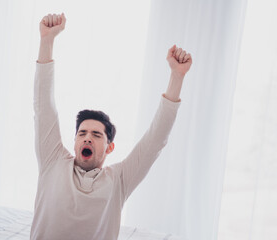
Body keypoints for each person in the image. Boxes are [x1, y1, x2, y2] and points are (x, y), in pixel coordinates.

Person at [31, 12, 192, 240]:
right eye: (82, 133)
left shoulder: (119, 179)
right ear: (75, 141)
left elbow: (155, 141)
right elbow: (43, 107)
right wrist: (46, 41)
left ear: (109, 147)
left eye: (96, 135)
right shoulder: (53, 161)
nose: (87, 138)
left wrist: (177, 76)